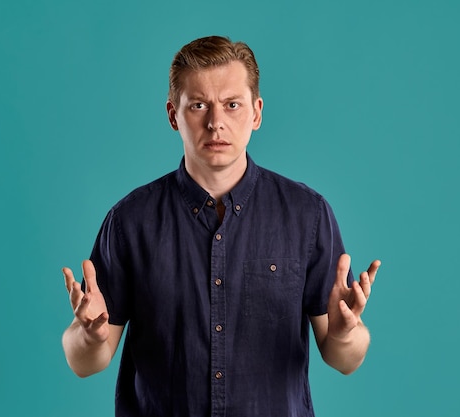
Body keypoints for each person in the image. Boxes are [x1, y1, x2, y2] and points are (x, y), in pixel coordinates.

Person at [62, 35, 380, 417]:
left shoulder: (306, 215)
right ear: (172, 114)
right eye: (198, 105)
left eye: (232, 105)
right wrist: (89, 336)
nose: (216, 123)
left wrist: (347, 335)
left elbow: (343, 359)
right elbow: (86, 362)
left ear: (257, 112)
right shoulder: (130, 221)